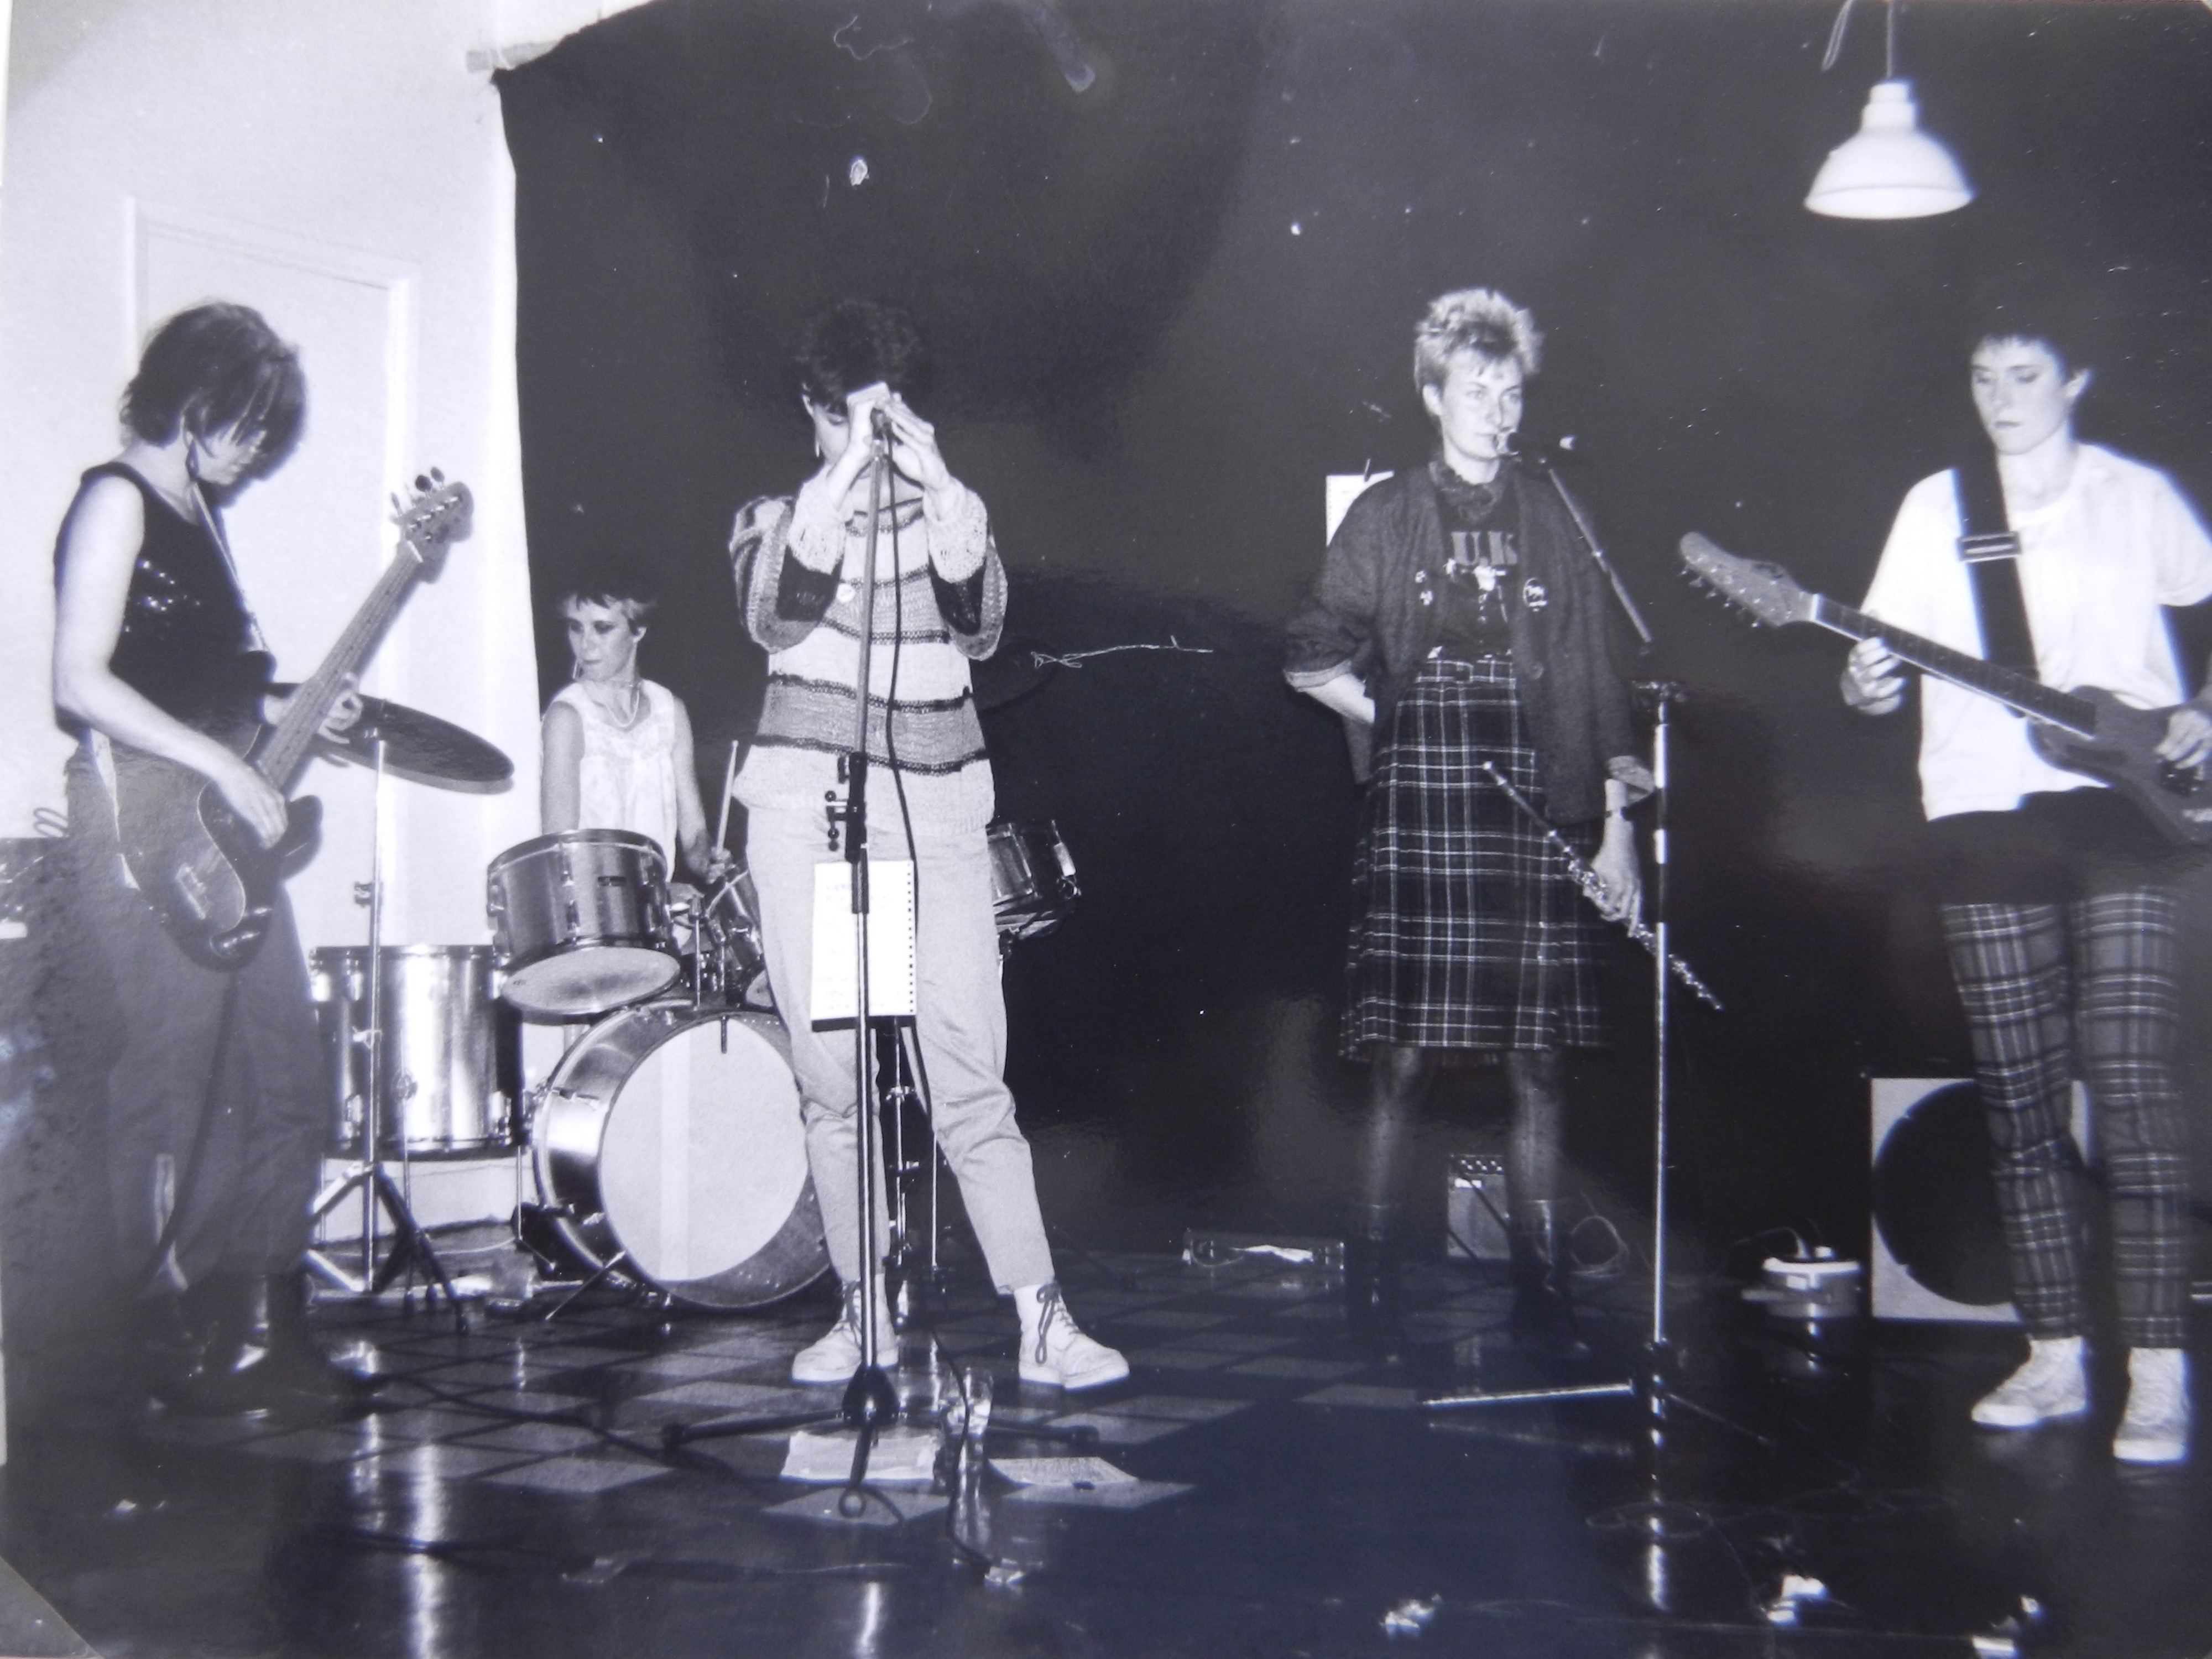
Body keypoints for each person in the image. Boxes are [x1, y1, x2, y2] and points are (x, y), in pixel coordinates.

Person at [727, 298, 1126, 1390]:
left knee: (966, 1071)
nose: (868, 441)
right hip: (820, 815)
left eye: (883, 417)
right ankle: (864, 1312)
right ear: (815, 414)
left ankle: (1042, 1319)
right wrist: (841, 477)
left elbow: (980, 623)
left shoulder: (952, 514)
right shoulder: (779, 514)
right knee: (839, 1081)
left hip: (935, 814)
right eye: (846, 420)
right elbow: (774, 613)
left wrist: (943, 489)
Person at [1843, 299, 2212, 1466]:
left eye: (2024, 375)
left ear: (2076, 379)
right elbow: (1878, 665)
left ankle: (2158, 1371)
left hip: (2122, 812)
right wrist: (1863, 683)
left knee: (2130, 1074)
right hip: (1980, 810)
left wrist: (2202, 709)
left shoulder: (2138, 497)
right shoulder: (1935, 507)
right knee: (2017, 1091)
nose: (2000, 398)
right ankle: (2053, 1353)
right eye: (1983, 377)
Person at [1285, 289, 1649, 1352]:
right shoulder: (1387, 512)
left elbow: (1595, 680)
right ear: (1434, 395)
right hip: (1426, 788)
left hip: (1536, 780)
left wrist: (1616, 832)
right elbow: (1309, 652)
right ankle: (1370, 1287)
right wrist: (1394, 716)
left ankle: (1542, 1288)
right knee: (1403, 1055)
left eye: (1511, 390)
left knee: (1539, 1055)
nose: (1498, 408)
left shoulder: (1555, 515)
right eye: (1476, 388)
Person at [51, 302, 364, 1415]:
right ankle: (137, 1356)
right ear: (192, 405)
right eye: (247, 426)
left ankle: (261, 1332)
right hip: (141, 820)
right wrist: (222, 765)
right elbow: (80, 679)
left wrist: (290, 708)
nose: (257, 452)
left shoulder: (199, 514)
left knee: (283, 1069)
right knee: (165, 1088)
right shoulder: (116, 499)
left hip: (219, 827)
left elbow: (195, 684)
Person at [540, 559, 722, 882]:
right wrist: (653, 893)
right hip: (594, 904)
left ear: (638, 630)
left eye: (602, 628)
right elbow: (561, 856)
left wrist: (704, 857)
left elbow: (694, 835)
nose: (585, 644)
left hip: (653, 905)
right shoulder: (567, 718)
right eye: (576, 627)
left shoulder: (670, 711)